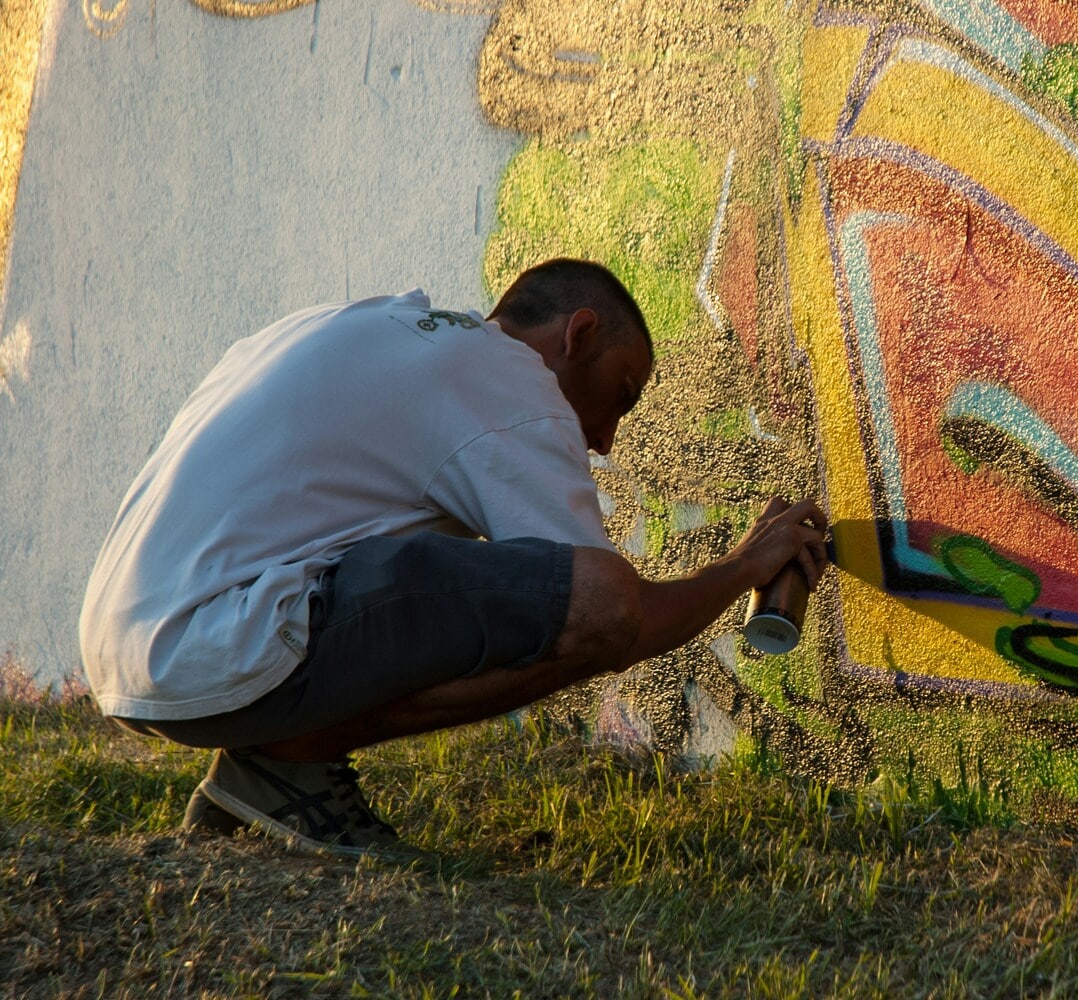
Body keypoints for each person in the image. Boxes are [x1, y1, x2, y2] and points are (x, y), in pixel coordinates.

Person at [78, 258, 828, 858]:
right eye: (621, 396)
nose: (605, 440)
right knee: (593, 601)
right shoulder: (509, 380)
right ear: (579, 334)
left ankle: (277, 757)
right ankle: (288, 758)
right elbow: (614, 615)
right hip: (216, 646)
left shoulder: (379, 326)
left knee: (465, 573)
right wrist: (742, 569)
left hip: (127, 647)